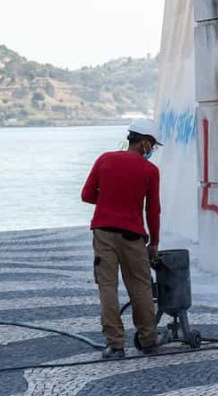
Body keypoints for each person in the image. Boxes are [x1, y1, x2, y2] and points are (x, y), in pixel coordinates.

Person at [81, 118, 166, 358]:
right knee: (140, 287)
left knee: (107, 287)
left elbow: (87, 195)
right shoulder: (150, 171)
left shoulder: (105, 159)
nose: (153, 150)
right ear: (146, 144)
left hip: (103, 233)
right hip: (133, 236)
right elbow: (153, 210)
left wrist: (109, 200)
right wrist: (155, 243)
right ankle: (148, 340)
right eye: (153, 146)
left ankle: (115, 344)